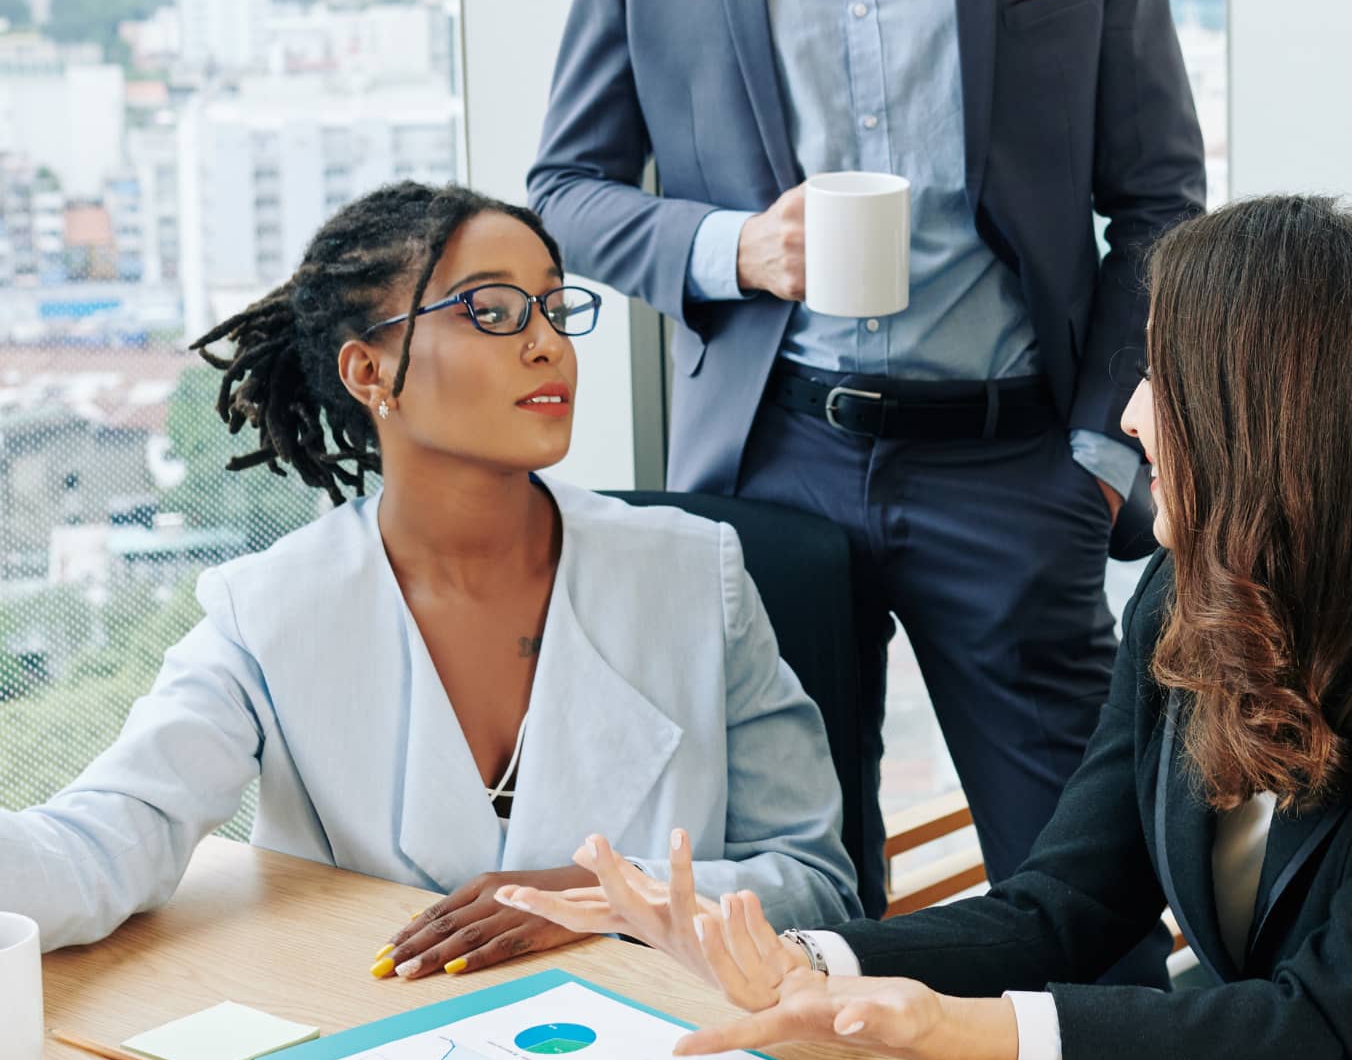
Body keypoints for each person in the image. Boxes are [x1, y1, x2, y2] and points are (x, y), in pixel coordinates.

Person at [500, 197, 1352, 1060]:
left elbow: (1329, 1020)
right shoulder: (1191, 588)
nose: (1136, 411)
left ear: (1281, 419)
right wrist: (796, 955)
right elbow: (1061, 908)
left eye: (1165, 374)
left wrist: (955, 1029)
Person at [526, 0, 1207, 924]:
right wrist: (731, 247)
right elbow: (567, 190)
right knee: (793, 904)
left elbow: (1159, 194)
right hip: (772, 470)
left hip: (1015, 470)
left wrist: (1097, 451)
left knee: (1082, 903)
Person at [0, 180, 861, 964]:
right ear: (369, 370)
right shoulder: (267, 612)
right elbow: (111, 840)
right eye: (491, 312)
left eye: (555, 309)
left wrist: (609, 898)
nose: (546, 346)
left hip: (667, 1059)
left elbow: (816, 880)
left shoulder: (692, 574)